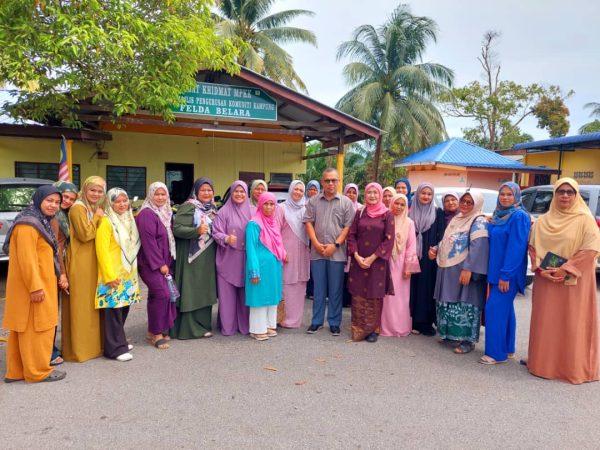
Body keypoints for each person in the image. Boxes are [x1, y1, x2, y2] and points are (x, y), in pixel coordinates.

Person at [526, 178, 600, 384]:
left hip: (575, 280)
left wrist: (565, 269)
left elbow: (591, 249)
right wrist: (540, 269)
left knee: (573, 323)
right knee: (546, 323)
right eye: (561, 191)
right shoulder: (543, 221)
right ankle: (543, 364)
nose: (565, 195)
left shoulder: (585, 220)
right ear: (554, 195)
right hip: (547, 279)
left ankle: (573, 367)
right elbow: (532, 248)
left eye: (570, 192)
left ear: (576, 196)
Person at [3, 186, 66, 383]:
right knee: (39, 328)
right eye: (49, 201)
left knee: (23, 329)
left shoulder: (38, 220)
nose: (53, 205)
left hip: (36, 285)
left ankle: (16, 371)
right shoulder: (28, 225)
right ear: (38, 200)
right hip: (33, 287)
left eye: (57, 202)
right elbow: (26, 259)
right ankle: (37, 371)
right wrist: (35, 287)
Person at [430, 191, 489, 354]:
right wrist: (436, 248)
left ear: (476, 204)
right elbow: (448, 239)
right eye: (463, 201)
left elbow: (479, 246)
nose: (465, 205)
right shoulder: (457, 218)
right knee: (449, 300)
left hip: (464, 269)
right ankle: (450, 335)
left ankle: (467, 341)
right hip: (449, 267)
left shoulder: (479, 221)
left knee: (465, 302)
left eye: (469, 202)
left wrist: (469, 268)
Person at [480, 182, 530, 365]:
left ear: (517, 196)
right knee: (506, 310)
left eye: (510, 194)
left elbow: (516, 248)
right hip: (496, 271)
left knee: (494, 309)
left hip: (507, 273)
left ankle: (495, 354)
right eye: (503, 194)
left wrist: (506, 275)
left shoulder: (519, 216)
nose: (506, 197)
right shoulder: (499, 215)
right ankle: (508, 349)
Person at [303, 168, 355, 336]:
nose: (331, 183)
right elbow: (308, 222)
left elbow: (348, 227)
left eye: (334, 180)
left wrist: (336, 245)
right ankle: (316, 321)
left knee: (335, 290)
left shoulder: (346, 202)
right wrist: (316, 244)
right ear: (322, 182)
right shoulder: (313, 201)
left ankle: (334, 322)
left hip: (337, 252)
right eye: (327, 180)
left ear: (339, 181)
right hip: (317, 251)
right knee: (318, 289)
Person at [62, 176, 106, 362]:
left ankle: (93, 346)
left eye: (99, 191)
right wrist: (97, 218)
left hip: (91, 261)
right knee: (80, 306)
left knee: (91, 305)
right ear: (85, 190)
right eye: (92, 190)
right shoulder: (78, 208)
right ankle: (78, 350)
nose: (96, 194)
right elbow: (86, 234)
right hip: (79, 263)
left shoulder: (92, 207)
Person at [95, 188, 140, 362]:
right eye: (117, 201)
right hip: (112, 273)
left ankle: (118, 340)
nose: (122, 204)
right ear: (110, 203)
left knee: (123, 307)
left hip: (127, 272)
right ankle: (114, 349)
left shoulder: (129, 219)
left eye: (125, 200)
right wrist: (109, 275)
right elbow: (102, 250)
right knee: (113, 310)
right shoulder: (106, 222)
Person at [347, 183, 395, 342]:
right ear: (365, 195)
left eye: (375, 193)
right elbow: (352, 235)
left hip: (377, 262)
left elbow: (388, 240)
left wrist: (372, 258)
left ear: (380, 195)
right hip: (358, 261)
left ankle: (373, 329)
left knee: (374, 294)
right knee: (359, 293)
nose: (372, 196)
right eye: (369, 193)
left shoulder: (387, 215)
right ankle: (358, 326)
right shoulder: (360, 213)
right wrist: (356, 256)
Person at [171, 177, 218, 339]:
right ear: (196, 191)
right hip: (191, 256)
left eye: (209, 190)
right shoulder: (188, 207)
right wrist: (196, 231)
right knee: (191, 289)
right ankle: (188, 327)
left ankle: (202, 325)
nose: (206, 193)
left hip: (207, 255)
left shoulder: (212, 208)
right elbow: (177, 229)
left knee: (204, 289)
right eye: (203, 190)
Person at [136, 182, 177, 349]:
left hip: (165, 261)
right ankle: (156, 333)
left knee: (157, 295)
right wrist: (160, 264)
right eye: (157, 194)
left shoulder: (165, 213)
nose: (160, 197)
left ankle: (153, 330)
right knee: (162, 294)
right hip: (151, 263)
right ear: (150, 195)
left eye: (163, 194)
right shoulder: (147, 214)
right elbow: (149, 242)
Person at [212, 180, 251, 335]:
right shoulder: (223, 212)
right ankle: (227, 327)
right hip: (228, 258)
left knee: (245, 295)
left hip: (246, 259)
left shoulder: (253, 211)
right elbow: (215, 232)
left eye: (242, 192)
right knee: (227, 296)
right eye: (236, 191)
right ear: (231, 193)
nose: (239, 194)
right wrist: (226, 238)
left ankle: (245, 326)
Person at [245, 192, 285, 340]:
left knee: (272, 295)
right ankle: (257, 329)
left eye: (271, 204)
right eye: (265, 204)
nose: (268, 207)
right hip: (260, 267)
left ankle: (269, 325)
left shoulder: (274, 222)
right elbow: (251, 249)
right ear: (260, 205)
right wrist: (254, 271)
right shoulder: (253, 224)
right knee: (259, 296)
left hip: (273, 267)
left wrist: (282, 253)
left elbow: (278, 243)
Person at [381, 194, 420, 337]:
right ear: (391, 203)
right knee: (386, 297)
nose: (398, 206)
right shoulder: (385, 219)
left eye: (402, 204)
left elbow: (411, 246)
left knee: (401, 297)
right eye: (396, 203)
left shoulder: (409, 223)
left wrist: (408, 268)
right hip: (386, 261)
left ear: (406, 206)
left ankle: (400, 327)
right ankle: (384, 326)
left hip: (401, 262)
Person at [408, 183, 445, 336]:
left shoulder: (437, 213)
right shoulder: (410, 212)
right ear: (417, 195)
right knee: (412, 287)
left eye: (429, 194)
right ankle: (412, 321)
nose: (426, 196)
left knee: (427, 288)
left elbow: (442, 235)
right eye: (423, 193)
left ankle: (425, 323)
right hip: (412, 256)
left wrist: (436, 248)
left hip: (429, 258)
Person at [48, 180, 78, 366]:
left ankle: (49, 347)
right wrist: (62, 274)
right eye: (64, 197)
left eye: (71, 199)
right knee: (49, 312)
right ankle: (48, 351)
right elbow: (56, 249)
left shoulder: (63, 215)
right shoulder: (53, 218)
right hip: (50, 269)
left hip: (56, 267)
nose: (67, 201)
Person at [276, 180, 310, 328]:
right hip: (286, 253)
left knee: (300, 284)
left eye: (301, 190)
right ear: (290, 190)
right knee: (286, 283)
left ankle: (295, 320)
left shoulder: (306, 208)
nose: (298, 192)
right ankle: (283, 318)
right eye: (295, 189)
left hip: (302, 252)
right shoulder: (281, 208)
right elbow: (275, 232)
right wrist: (281, 251)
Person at [342, 182, 363, 307]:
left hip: (356, 244)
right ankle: (343, 300)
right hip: (341, 243)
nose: (351, 194)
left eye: (354, 192)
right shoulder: (339, 206)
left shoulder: (361, 209)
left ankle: (351, 300)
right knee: (342, 273)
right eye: (349, 192)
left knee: (353, 272)